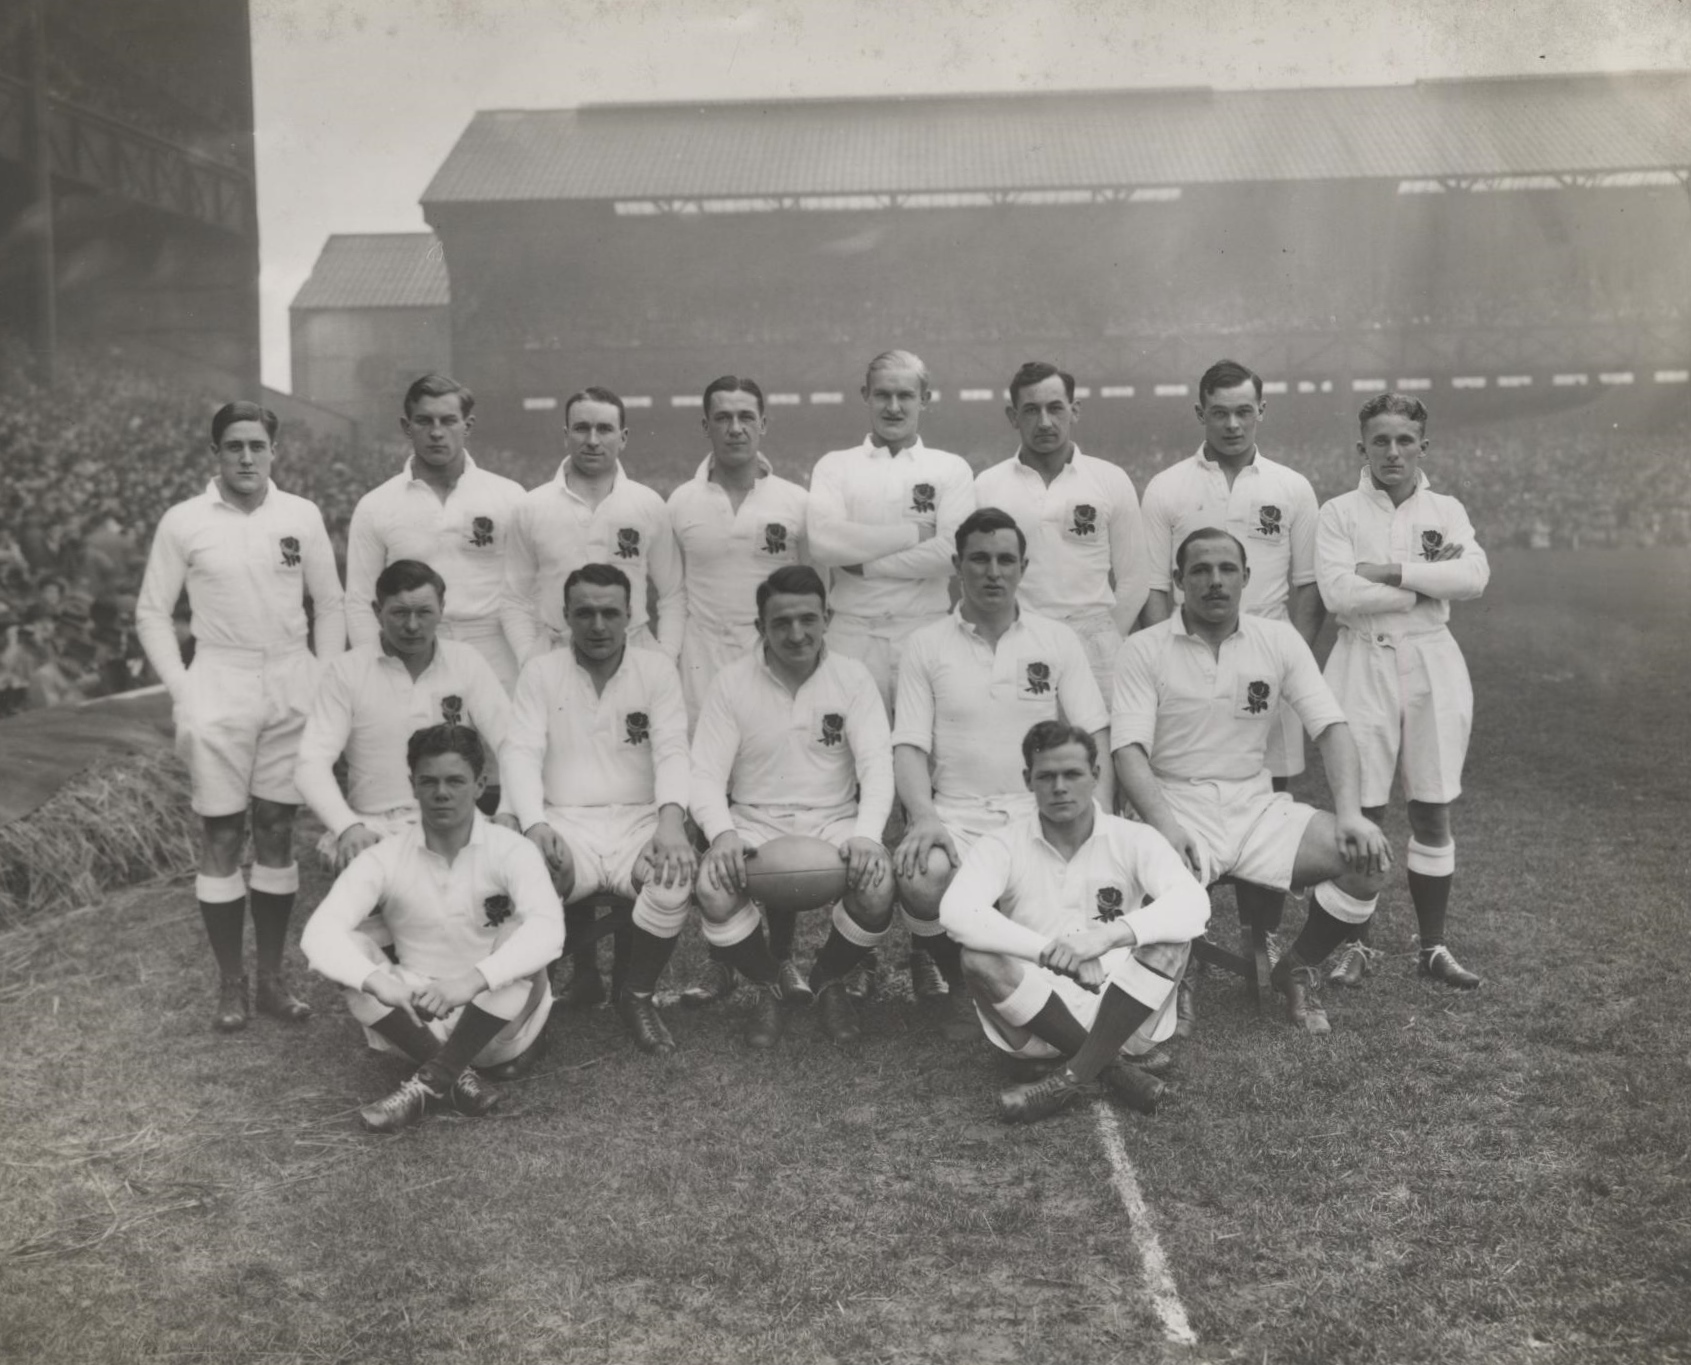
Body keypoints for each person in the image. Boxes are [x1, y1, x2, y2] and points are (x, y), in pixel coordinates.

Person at [1111, 528, 1394, 1035]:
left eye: (1226, 570)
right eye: (1199, 570)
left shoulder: (1278, 639)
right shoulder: (1142, 649)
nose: (1214, 582)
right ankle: (1181, 973)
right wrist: (1165, 826)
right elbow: (1128, 751)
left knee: (1367, 862)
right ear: (1178, 581)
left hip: (1255, 805)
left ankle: (1296, 966)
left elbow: (1331, 727)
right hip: (1174, 805)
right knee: (1159, 895)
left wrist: (1350, 814)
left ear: (1246, 577)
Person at [135, 401, 346, 1033]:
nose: (246, 457)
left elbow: (330, 603)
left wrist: (322, 676)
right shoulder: (184, 521)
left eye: (257, 445)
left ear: (274, 451)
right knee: (223, 833)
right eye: (234, 446)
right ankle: (232, 981)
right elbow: (151, 612)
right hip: (219, 679)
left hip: (289, 677)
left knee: (278, 826)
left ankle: (273, 977)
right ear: (215, 454)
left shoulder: (301, 515)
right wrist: (182, 686)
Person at [1137, 359, 1323, 1027]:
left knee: (1267, 805)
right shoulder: (1164, 488)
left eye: (1244, 410)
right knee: (1185, 803)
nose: (1233, 422)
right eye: (1219, 410)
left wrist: (1285, 679)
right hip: (1188, 667)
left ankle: (1258, 934)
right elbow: (1155, 593)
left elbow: (1307, 590)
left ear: (1261, 411)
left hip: (1266, 666)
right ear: (1200, 413)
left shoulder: (1293, 488)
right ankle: (1181, 949)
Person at [892, 508, 1112, 1014]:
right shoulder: (925, 645)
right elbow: (909, 746)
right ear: (956, 565)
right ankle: (959, 978)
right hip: (958, 815)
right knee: (920, 876)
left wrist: (1102, 816)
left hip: (1036, 811)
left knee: (1071, 901)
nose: (993, 573)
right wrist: (924, 817)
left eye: (1006, 561)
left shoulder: (1056, 639)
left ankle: (1038, 990)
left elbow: (1092, 732)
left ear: (1023, 567)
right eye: (980, 560)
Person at [805, 350, 975, 994]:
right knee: (855, 791)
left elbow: (949, 551)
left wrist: (866, 554)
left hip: (925, 635)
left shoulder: (949, 468)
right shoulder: (836, 466)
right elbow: (823, 545)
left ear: (926, 398)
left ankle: (928, 947)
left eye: (907, 396)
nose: (895, 407)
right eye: (883, 395)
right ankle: (862, 948)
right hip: (850, 638)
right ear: (865, 397)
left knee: (921, 788)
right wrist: (911, 534)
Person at [300, 724, 564, 1133]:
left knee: (521, 937)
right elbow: (317, 934)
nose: (442, 793)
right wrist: (378, 982)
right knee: (349, 949)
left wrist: (471, 980)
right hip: (416, 1020)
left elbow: (550, 931)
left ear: (479, 785)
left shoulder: (512, 849)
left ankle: (429, 1083)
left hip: (499, 1024)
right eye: (429, 781)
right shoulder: (385, 856)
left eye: (455, 781)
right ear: (413, 785)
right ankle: (450, 1075)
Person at [940, 722, 1209, 1123]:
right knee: (978, 958)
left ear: (1096, 776)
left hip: (1125, 1019)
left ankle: (1067, 1080)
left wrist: (1103, 938)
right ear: (1027, 780)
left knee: (1174, 939)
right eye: (1046, 776)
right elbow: (956, 912)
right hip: (1032, 1024)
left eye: (1072, 774)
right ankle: (1112, 1070)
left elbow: (1194, 902)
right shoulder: (1003, 843)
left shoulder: (1134, 838)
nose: (1060, 787)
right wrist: (1049, 953)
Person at [1316, 393, 1489, 990]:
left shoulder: (1446, 509)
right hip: (1360, 660)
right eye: (1380, 440)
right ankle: (1355, 945)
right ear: (1361, 446)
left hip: (1432, 660)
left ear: (1423, 445)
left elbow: (1473, 576)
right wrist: (1426, 584)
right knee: (1361, 809)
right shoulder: (1338, 512)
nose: (1393, 451)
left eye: (1404, 440)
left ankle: (1433, 947)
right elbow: (1339, 594)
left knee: (1432, 805)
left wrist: (1393, 573)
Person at [690, 565, 895, 1048]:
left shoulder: (853, 678)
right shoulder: (730, 682)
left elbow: (877, 767)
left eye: (808, 619)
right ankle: (768, 984)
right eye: (781, 622)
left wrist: (866, 834)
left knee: (879, 885)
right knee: (712, 887)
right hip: (754, 821)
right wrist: (722, 835)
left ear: (828, 617)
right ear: (760, 627)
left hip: (834, 821)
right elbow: (704, 774)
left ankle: (827, 979)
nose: (796, 633)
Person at [503, 563, 696, 1053]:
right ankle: (532, 1008)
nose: (597, 625)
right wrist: (535, 825)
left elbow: (673, 750)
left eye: (610, 612)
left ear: (631, 615)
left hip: (638, 823)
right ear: (565, 615)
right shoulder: (540, 672)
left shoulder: (655, 670)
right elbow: (521, 753)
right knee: (529, 875)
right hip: (565, 822)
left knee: (671, 878)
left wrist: (671, 822)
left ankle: (636, 996)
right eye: (584, 613)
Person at [666, 375, 810, 1005]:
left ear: (764, 424)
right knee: (710, 808)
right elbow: (670, 596)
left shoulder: (795, 501)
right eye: (721, 417)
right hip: (700, 663)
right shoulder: (679, 503)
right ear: (705, 426)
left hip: (768, 668)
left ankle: (781, 957)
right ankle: (723, 955)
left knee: (772, 802)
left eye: (745, 415)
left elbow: (811, 591)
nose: (734, 427)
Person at [295, 559, 512, 875]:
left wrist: (508, 810)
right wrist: (347, 827)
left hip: (456, 821)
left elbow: (512, 742)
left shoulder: (466, 661)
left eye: (424, 612)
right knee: (380, 875)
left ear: (442, 608)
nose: (412, 626)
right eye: (399, 613)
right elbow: (309, 763)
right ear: (376, 611)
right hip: (374, 824)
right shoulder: (347, 671)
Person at [974, 360, 1150, 697]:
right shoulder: (987, 485)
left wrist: (1105, 636)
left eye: (1055, 408)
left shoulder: (1109, 479)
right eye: (1031, 411)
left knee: (1098, 745)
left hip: (1096, 645)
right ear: (1013, 417)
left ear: (1075, 410)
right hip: (1017, 640)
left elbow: (1135, 578)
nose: (1044, 422)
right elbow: (976, 576)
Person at [344, 374, 527, 691]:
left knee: (501, 742)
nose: (437, 433)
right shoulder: (375, 505)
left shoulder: (510, 497)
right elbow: (360, 601)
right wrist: (373, 670)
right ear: (406, 427)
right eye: (424, 421)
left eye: (448, 421)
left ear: (467, 426)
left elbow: (530, 592)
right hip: (413, 649)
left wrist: (529, 658)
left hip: (494, 650)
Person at [500, 386, 683, 671]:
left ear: (623, 438)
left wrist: (667, 657)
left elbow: (672, 592)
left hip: (634, 652)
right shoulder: (531, 506)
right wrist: (528, 658)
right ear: (565, 435)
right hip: (555, 655)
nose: (593, 440)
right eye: (582, 428)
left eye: (605, 429)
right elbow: (514, 598)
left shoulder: (648, 504)